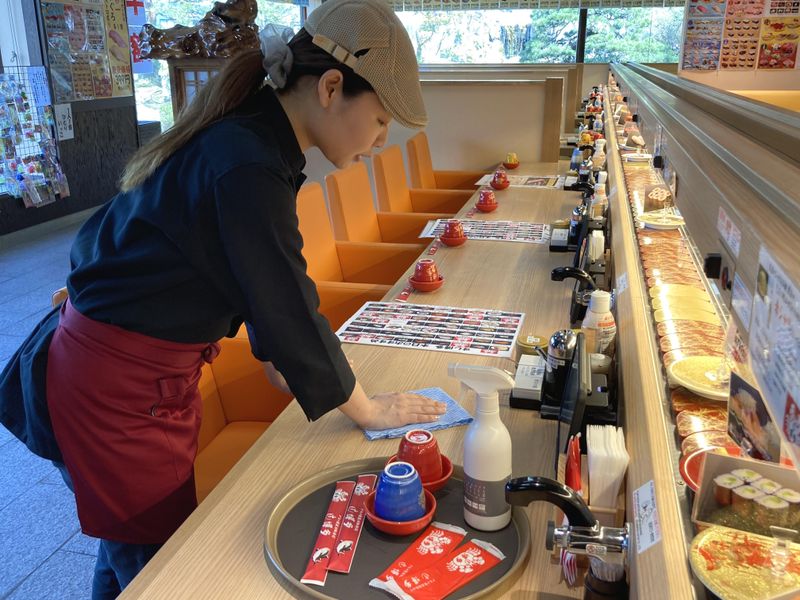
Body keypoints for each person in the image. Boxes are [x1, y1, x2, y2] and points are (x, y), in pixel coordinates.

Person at [0, 0, 446, 597]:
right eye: (381, 121)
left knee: (130, 548)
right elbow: (286, 303)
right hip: (116, 391)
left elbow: (253, 281)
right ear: (331, 88)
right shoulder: (247, 160)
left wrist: (286, 362)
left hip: (123, 374)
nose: (381, 141)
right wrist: (369, 410)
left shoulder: (250, 139)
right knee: (161, 569)